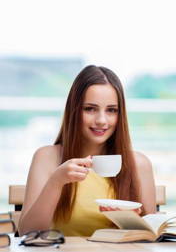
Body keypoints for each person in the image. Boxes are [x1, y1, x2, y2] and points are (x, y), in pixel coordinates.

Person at [18, 65, 156, 237]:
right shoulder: (47, 157)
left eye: (111, 110)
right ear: (74, 111)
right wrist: (56, 181)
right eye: (90, 109)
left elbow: (152, 236)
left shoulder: (139, 164)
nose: (101, 120)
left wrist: (130, 221)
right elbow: (28, 232)